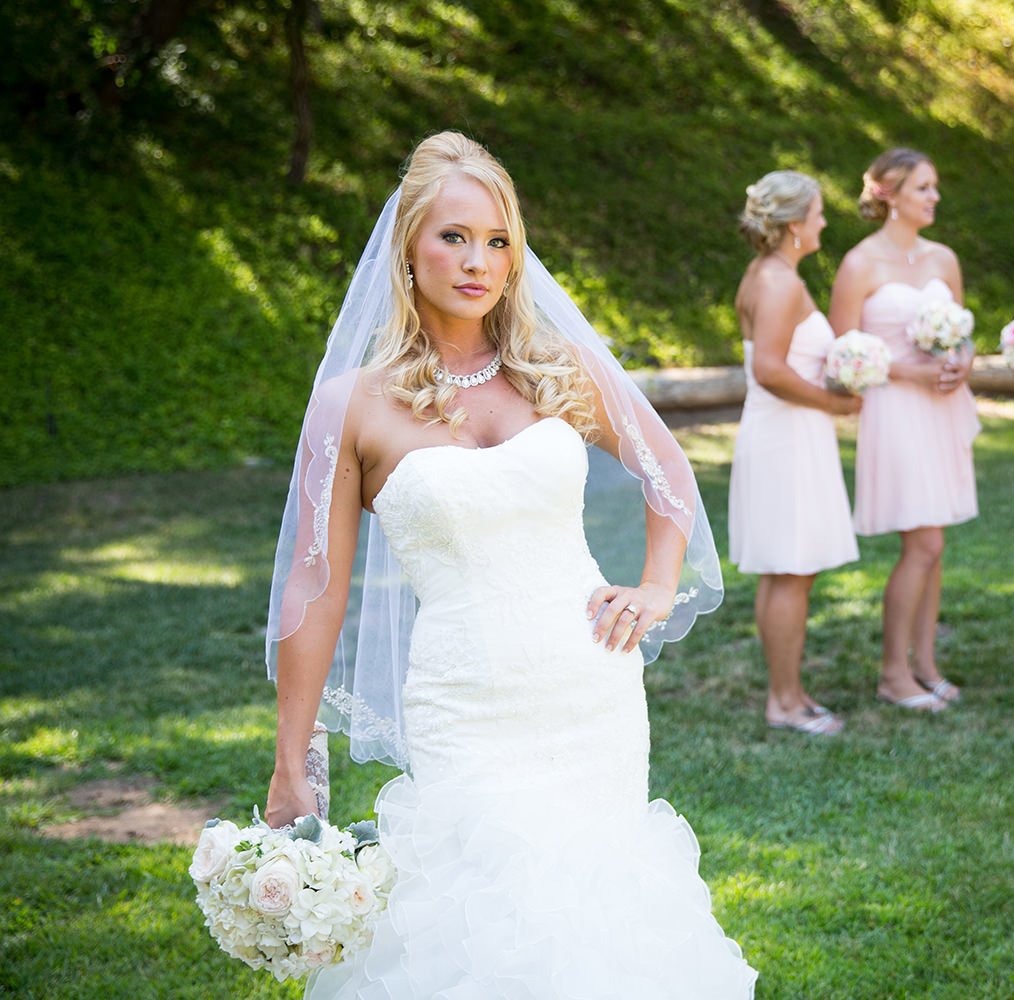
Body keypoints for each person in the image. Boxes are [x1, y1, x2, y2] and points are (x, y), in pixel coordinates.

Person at [263, 132, 756, 996]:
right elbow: (317, 584)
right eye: (452, 237)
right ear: (407, 249)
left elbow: (667, 471)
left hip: (589, 685)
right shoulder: (353, 405)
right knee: (479, 918)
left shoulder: (557, 369)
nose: (476, 261)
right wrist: (291, 759)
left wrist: (654, 583)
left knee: (595, 917)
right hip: (465, 700)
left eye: (497, 241)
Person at [829, 148, 978, 713]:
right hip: (894, 410)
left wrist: (963, 360)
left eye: (935, 186)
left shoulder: (944, 258)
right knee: (924, 542)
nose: (935, 196)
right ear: (889, 193)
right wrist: (906, 369)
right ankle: (893, 673)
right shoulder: (860, 263)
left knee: (933, 545)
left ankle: (926, 664)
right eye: (924, 187)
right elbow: (843, 355)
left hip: (941, 408)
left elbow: (960, 332)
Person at [730, 171, 862, 736]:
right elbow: (769, 370)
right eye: (818, 213)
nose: (825, 221)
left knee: (786, 573)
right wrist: (834, 403)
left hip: (788, 436)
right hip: (785, 437)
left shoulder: (771, 273)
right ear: (792, 225)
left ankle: (790, 691)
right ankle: (783, 702)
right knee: (789, 571)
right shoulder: (779, 283)